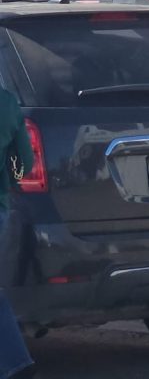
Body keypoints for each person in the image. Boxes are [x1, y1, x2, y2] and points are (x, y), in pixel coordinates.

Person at [0, 88, 36, 379]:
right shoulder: (7, 102)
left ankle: (16, 364)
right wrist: (10, 180)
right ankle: (17, 364)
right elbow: (24, 161)